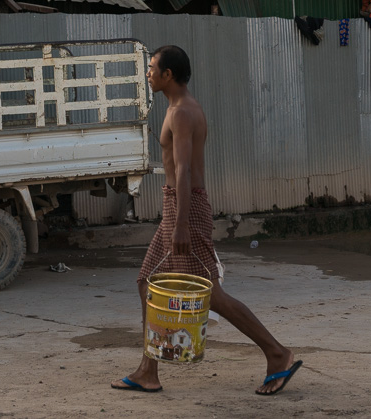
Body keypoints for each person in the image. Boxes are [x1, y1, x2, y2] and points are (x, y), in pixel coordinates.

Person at [112, 45, 301, 396]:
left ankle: (277, 354)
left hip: (187, 209)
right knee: (146, 282)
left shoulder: (183, 112)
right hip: (177, 207)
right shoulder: (177, 108)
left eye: (153, 68)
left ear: (168, 75)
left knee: (211, 294)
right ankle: (147, 370)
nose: (149, 73)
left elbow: (183, 171)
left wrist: (181, 224)